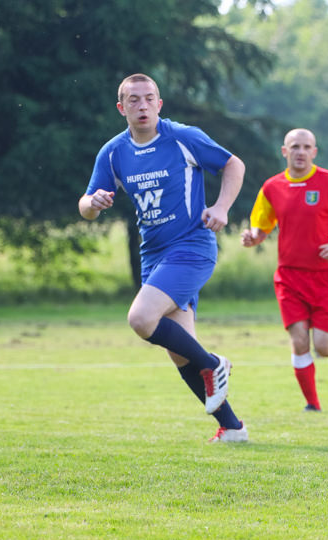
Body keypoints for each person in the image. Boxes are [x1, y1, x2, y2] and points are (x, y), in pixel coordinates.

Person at [79, 73, 247, 443]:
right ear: (122, 108)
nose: (142, 106)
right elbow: (86, 205)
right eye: (134, 100)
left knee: (141, 318)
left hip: (192, 247)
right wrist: (93, 203)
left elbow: (234, 165)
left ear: (159, 104)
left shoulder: (183, 137)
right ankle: (232, 427)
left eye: (149, 98)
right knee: (178, 352)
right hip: (153, 256)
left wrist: (221, 206)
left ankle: (213, 363)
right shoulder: (113, 152)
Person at [241, 129, 328, 412]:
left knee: (322, 345)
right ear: (284, 152)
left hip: (324, 277)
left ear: (314, 152)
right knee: (299, 341)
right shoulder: (272, 187)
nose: (300, 152)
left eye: (306, 147)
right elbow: (261, 226)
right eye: (294, 146)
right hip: (289, 277)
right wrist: (253, 237)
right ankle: (312, 403)